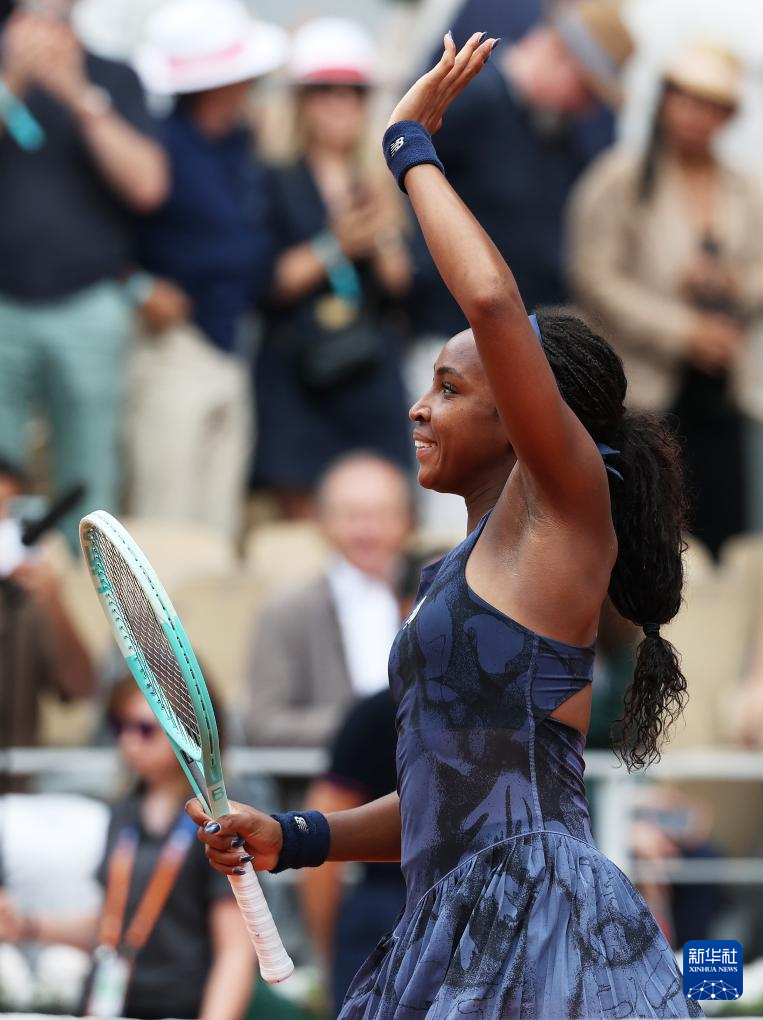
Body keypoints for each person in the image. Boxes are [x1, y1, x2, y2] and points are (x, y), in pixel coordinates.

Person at [189, 34, 700, 1018]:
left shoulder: (566, 503)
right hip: (450, 914)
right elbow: (444, 800)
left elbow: (493, 300)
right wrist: (297, 837)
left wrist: (407, 145)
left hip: (541, 913)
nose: (419, 408)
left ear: (524, 412)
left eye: (452, 388)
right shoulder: (443, 575)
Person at [568, 42, 763, 558]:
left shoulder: (744, 189)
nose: (695, 116)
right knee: (643, 532)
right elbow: (594, 276)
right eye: (686, 100)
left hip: (723, 388)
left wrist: (732, 284)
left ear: (728, 116)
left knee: (722, 535)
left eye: (711, 106)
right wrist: (682, 330)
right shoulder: (621, 179)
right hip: (645, 386)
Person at [0, 0, 168, 549]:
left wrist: (78, 95)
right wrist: (13, 82)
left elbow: (148, 185)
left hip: (90, 306)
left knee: (90, 479)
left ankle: (85, 589)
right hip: (4, 307)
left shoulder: (114, 76)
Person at [0, 675, 255, 1020]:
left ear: (186, 731)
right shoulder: (124, 812)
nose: (128, 741)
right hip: (107, 1005)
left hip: (178, 1007)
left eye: (145, 729)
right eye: (119, 726)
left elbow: (236, 950)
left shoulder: (217, 819)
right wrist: (28, 926)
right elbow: (113, 923)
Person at [124, 0, 287, 538]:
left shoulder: (242, 147)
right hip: (174, 345)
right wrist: (137, 287)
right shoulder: (156, 145)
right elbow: (100, 232)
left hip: (232, 342)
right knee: (166, 522)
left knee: (218, 526)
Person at [253, 17, 413, 519]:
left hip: (369, 366)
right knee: (302, 516)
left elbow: (402, 283)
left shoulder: (386, 176)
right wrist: (335, 246)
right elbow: (266, 281)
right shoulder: (272, 176)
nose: (341, 103)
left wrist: (381, 230)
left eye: (354, 92)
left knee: (384, 508)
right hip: (298, 368)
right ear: (300, 100)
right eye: (325, 90)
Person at [407, 0, 631, 340]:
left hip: (507, 335)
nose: (588, 109)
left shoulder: (553, 130)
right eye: (587, 91)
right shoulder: (475, 99)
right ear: (558, 55)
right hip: (448, 329)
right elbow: (404, 171)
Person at [245, 453, 413, 748]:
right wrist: (368, 725)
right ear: (321, 521)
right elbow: (264, 723)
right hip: (329, 769)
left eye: (383, 515)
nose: (368, 531)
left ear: (408, 521)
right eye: (352, 516)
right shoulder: (289, 609)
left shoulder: (433, 596)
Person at [0, 457, 95, 773]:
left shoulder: (30, 604)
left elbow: (81, 689)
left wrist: (54, 604)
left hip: (15, 786)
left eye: (10, 512)